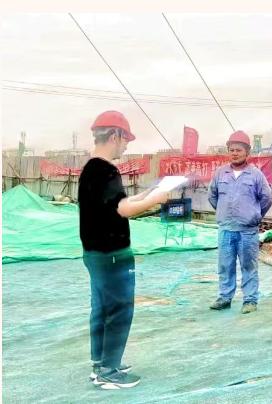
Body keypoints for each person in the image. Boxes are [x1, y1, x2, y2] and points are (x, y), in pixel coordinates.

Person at [79, 110, 169, 389]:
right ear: (114, 135)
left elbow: (116, 202)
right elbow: (124, 209)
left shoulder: (90, 169)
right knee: (119, 310)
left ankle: (101, 363)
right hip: (113, 254)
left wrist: (146, 193)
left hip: (95, 254)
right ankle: (109, 371)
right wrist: (156, 200)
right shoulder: (107, 170)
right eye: (126, 138)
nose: (127, 145)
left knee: (101, 309)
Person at [208, 130, 272, 314]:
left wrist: (254, 215)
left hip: (248, 231)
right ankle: (224, 297)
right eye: (232, 150)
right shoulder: (220, 173)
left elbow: (266, 199)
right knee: (225, 265)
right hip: (226, 229)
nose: (234, 153)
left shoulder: (256, 175)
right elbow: (212, 196)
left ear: (247, 152)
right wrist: (224, 213)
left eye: (239, 150)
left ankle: (250, 300)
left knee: (249, 265)